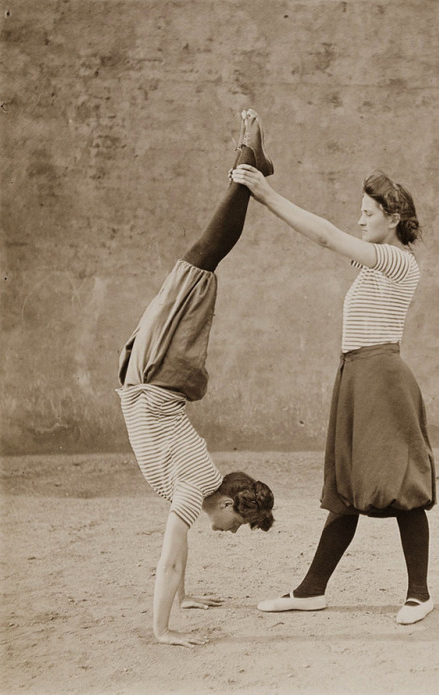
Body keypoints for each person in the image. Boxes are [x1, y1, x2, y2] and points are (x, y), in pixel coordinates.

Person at [230, 162, 436, 626]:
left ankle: (419, 595)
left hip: (382, 380)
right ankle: (311, 590)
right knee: (345, 489)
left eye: (368, 213)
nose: (360, 221)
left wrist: (266, 195)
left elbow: (324, 235)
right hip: (356, 378)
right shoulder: (373, 260)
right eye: (359, 213)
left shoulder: (398, 260)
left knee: (402, 486)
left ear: (393, 218)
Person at [117, 109, 275, 647]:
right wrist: (164, 630)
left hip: (153, 374)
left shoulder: (201, 485)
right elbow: (168, 559)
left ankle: (250, 167)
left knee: (202, 267)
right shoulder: (196, 488)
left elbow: (178, 553)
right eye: (240, 525)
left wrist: (188, 597)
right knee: (202, 262)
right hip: (156, 372)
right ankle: (247, 161)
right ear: (228, 505)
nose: (234, 534)